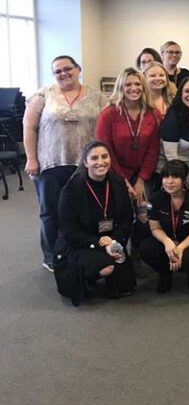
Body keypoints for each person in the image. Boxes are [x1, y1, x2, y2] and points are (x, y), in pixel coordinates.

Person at [23, 55, 108, 271]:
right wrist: (31, 158)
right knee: (50, 213)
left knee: (84, 211)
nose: (63, 73)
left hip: (85, 164)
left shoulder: (97, 96)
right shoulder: (43, 95)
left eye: (67, 68)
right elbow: (29, 127)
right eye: (58, 71)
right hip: (50, 163)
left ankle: (82, 252)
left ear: (78, 69)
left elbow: (105, 127)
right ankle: (52, 256)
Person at [56, 141, 136, 301]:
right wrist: (100, 243)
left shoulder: (118, 182)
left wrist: (114, 241)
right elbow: (70, 232)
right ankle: (86, 277)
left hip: (110, 239)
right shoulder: (71, 189)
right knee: (107, 267)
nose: (101, 162)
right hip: (79, 243)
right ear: (85, 163)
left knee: (127, 287)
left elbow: (127, 219)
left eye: (105, 156)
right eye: (94, 158)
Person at [95, 67, 162, 256]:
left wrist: (141, 180)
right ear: (120, 87)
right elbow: (105, 150)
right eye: (128, 84)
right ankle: (117, 256)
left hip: (142, 175)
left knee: (143, 216)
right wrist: (123, 181)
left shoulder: (153, 113)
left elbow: (153, 149)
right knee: (119, 216)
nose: (134, 88)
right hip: (115, 174)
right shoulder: (108, 114)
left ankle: (138, 255)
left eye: (137, 84)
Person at [141, 160, 189, 293]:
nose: (169, 181)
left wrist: (179, 249)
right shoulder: (155, 199)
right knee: (146, 248)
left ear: (184, 180)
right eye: (166, 177)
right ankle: (165, 274)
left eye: (175, 177)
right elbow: (155, 228)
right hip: (166, 239)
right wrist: (167, 242)